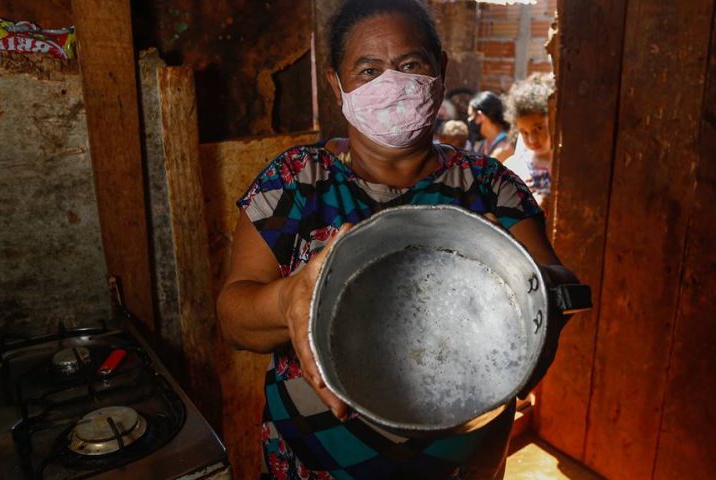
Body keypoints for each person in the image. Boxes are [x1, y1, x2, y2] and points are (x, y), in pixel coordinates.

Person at [217, 1, 578, 478]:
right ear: (336, 83)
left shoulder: (490, 185)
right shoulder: (296, 181)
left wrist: (540, 292)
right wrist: (287, 298)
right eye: (368, 69)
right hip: (312, 465)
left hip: (459, 462)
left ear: (440, 70)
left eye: (410, 65)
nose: (392, 84)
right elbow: (233, 315)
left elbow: (552, 284)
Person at [504, 73, 555, 208]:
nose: (532, 139)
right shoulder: (514, 168)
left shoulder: (568, 167)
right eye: (524, 132)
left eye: (539, 128)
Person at [467, 91, 514, 162]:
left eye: (471, 116)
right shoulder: (482, 145)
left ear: (480, 115)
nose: (469, 120)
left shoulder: (504, 148)